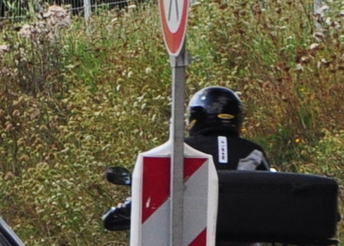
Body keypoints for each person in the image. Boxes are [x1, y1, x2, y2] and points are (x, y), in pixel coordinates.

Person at [100, 86, 269, 232]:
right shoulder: (255, 151)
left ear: (194, 117)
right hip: (243, 245)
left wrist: (130, 205)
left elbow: (154, 189)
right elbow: (267, 195)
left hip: (189, 243)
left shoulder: (179, 149)